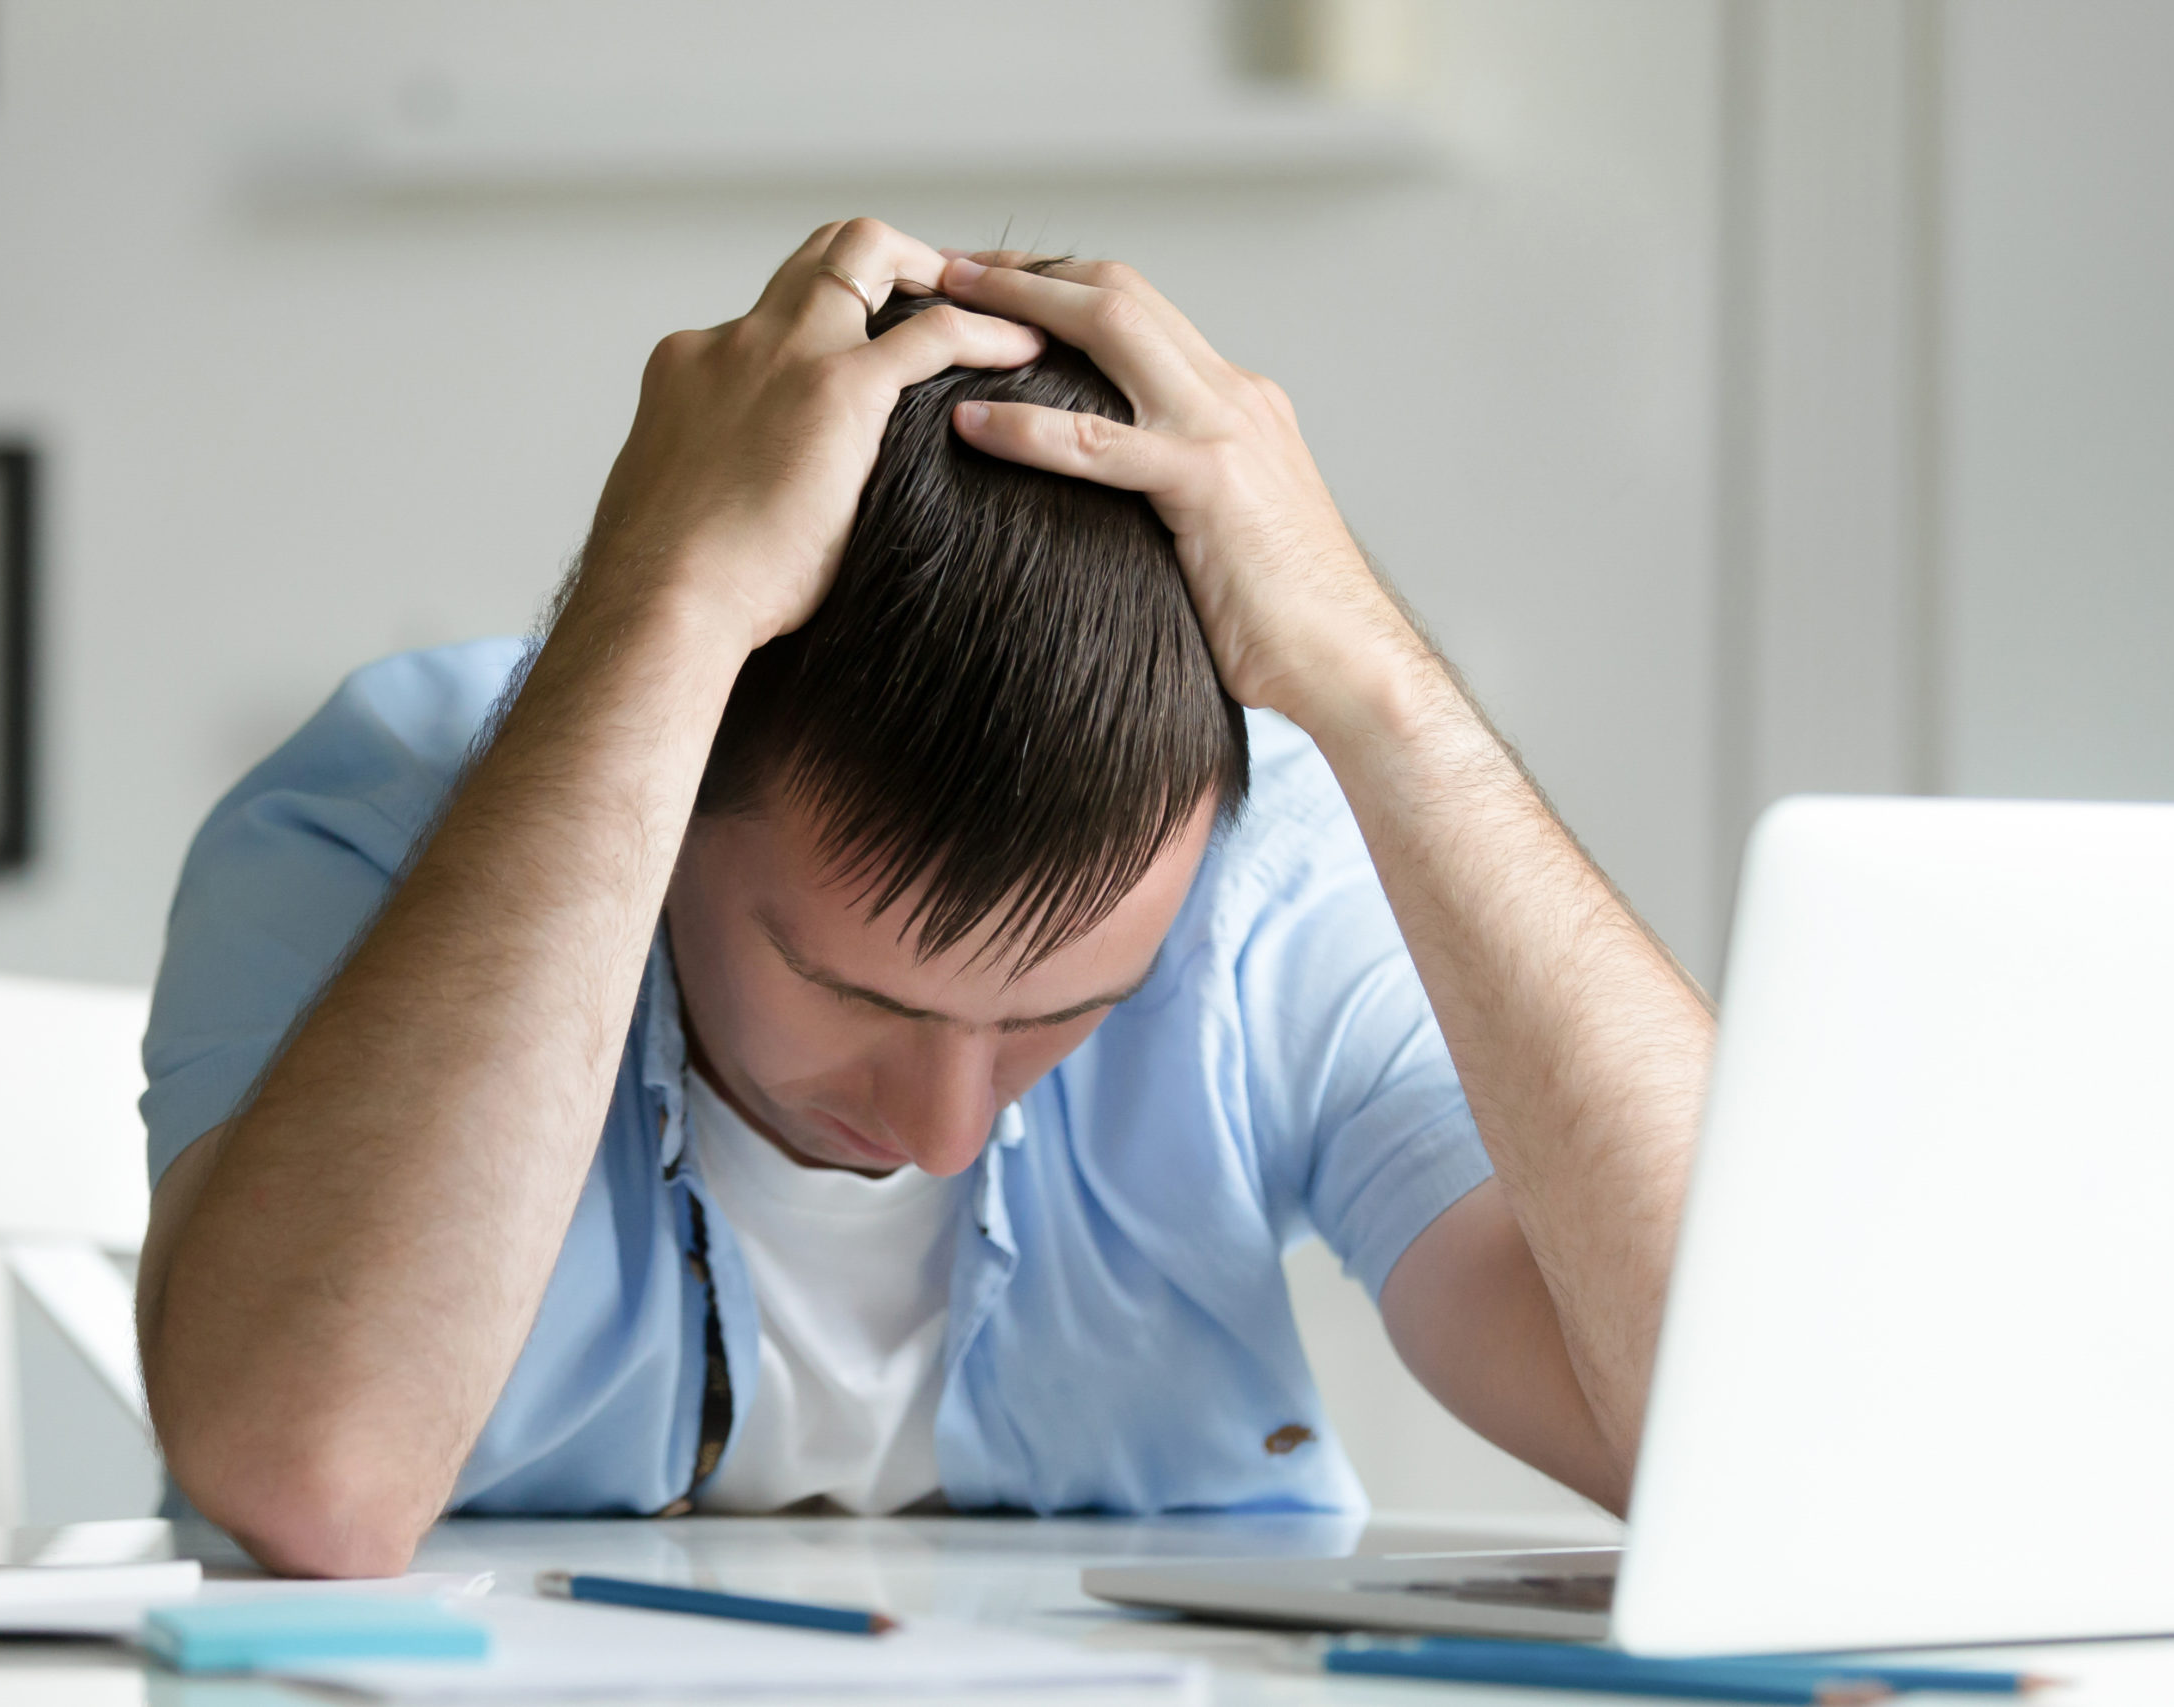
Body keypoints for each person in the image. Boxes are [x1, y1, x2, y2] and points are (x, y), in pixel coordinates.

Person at [134, 220, 1713, 1578]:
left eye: (1066, 1012)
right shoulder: (385, 811)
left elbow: (1749, 1432)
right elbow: (313, 1483)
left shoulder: (1271, 870)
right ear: (680, 808)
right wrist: (660, 616)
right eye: (861, 996)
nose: (946, 1130)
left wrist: (1378, 686)